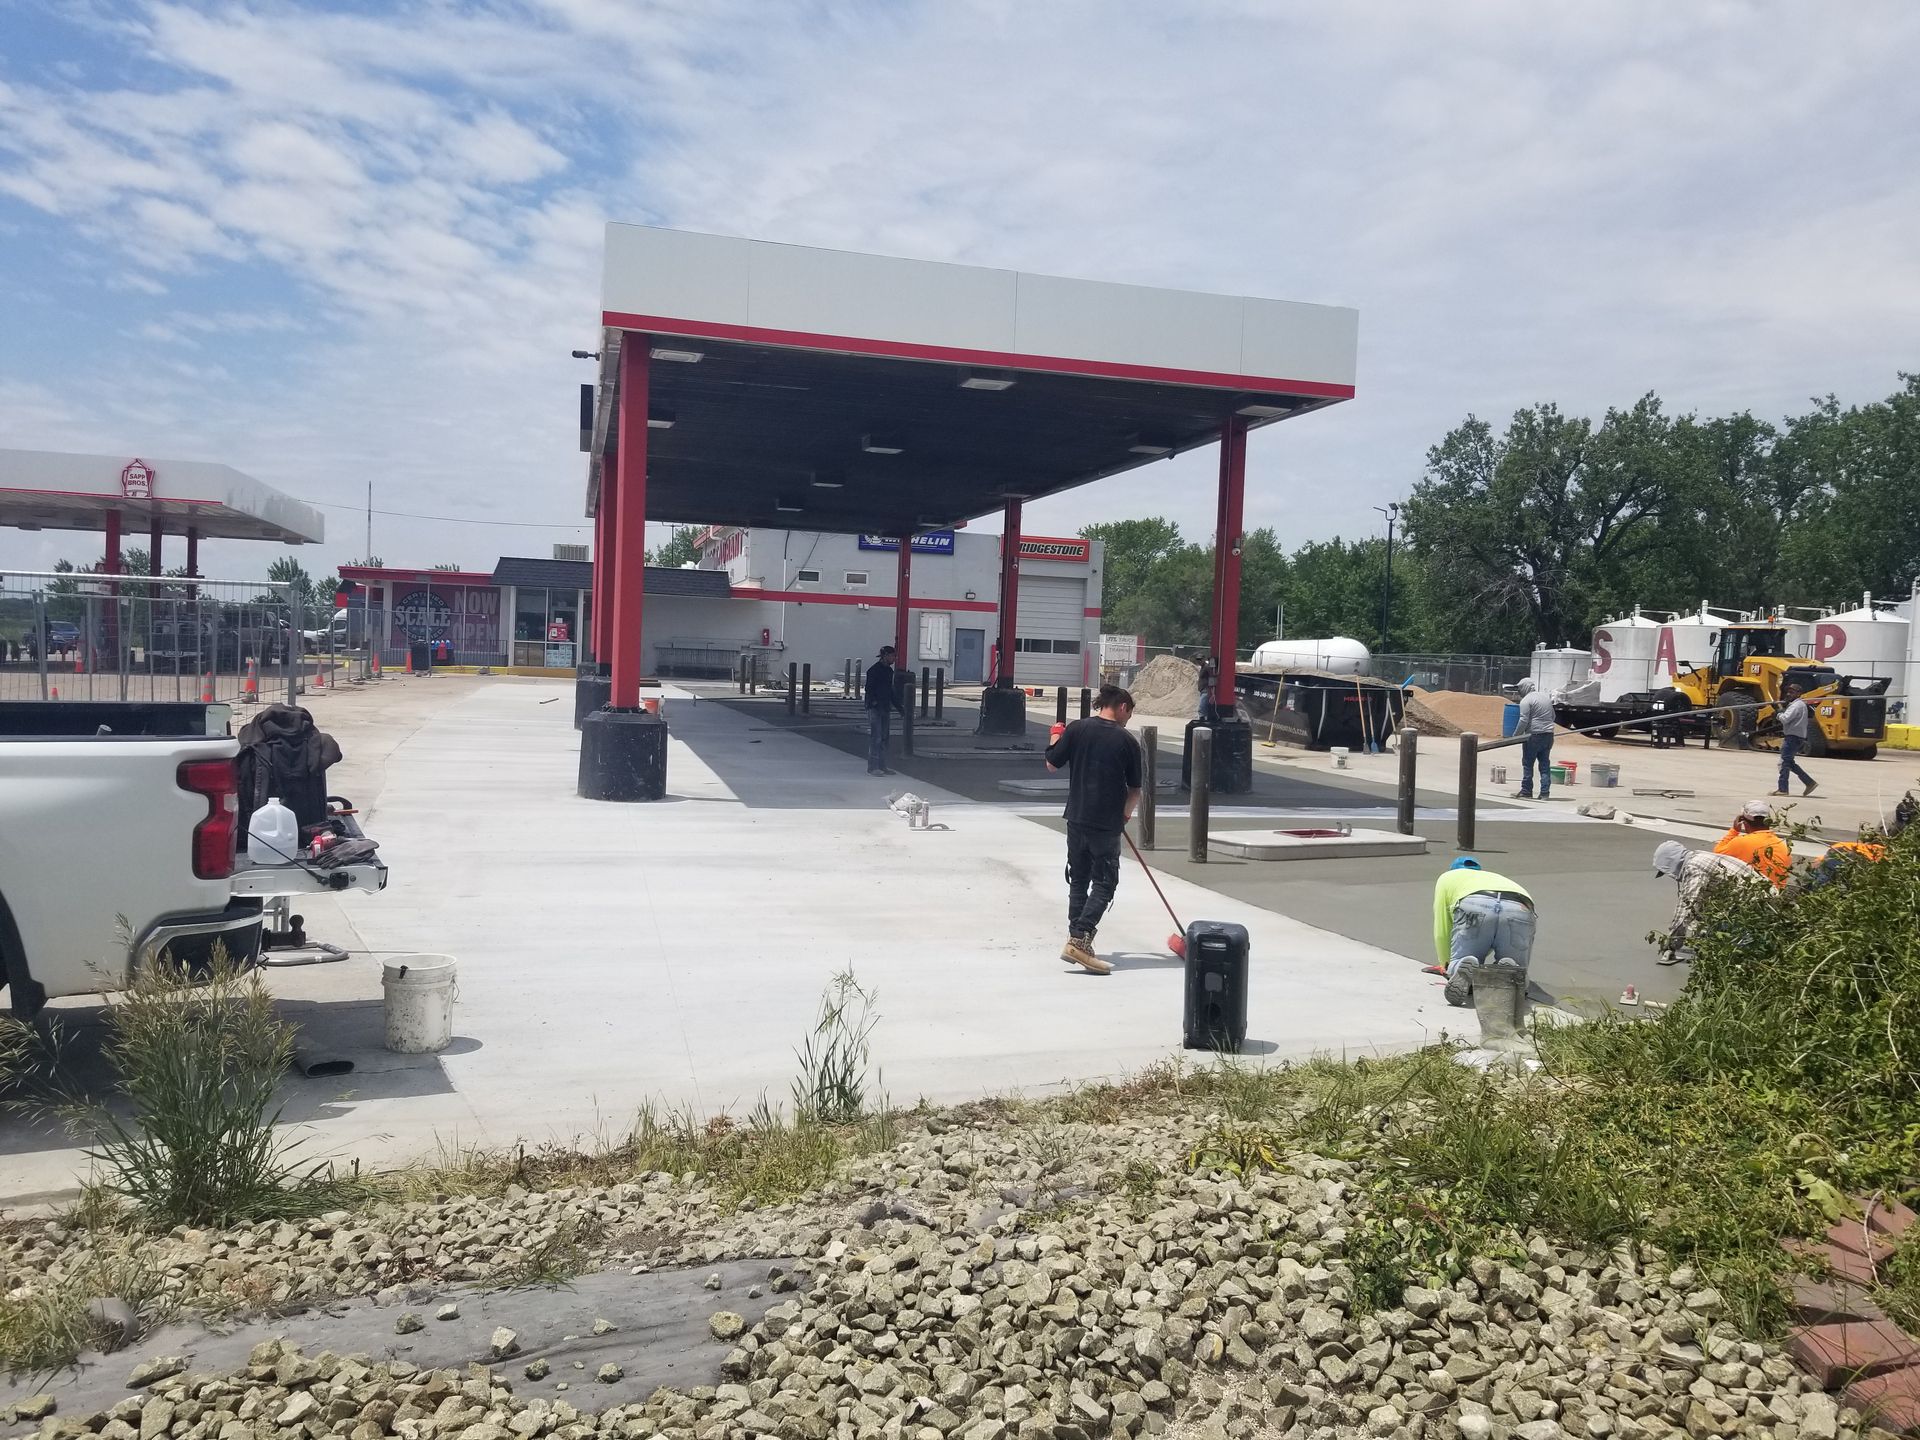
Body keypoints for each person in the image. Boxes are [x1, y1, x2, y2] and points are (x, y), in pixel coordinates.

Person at [1044, 684, 1143, 976]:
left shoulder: (1076, 730)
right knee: (1104, 883)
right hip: (1106, 823)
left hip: (1076, 817)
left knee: (1079, 879)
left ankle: (1075, 938)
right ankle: (1080, 938)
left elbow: (1051, 764)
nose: (1128, 719)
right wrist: (1125, 815)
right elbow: (1135, 789)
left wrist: (1055, 734)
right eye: (1129, 713)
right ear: (1122, 707)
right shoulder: (1127, 741)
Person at [1427, 857, 1535, 1007]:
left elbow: (1442, 927)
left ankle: (1461, 967)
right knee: (1518, 970)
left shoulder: (1448, 877)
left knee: (1462, 960)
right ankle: (1511, 972)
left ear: (1453, 869)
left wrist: (1445, 963)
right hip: (1519, 906)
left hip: (1475, 902)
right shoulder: (1494, 877)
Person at [1650, 840, 1766, 964]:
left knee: (1726, 939)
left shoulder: (1693, 868)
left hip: (1757, 902)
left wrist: (1672, 943)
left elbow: (1687, 906)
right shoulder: (1698, 856)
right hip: (1762, 895)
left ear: (1672, 864)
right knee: (1707, 914)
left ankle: (1746, 954)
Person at [1714, 800, 1792, 887]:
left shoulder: (1741, 842)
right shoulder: (1783, 845)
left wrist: (1734, 830)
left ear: (1744, 822)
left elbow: (1717, 854)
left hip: (1750, 891)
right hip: (1776, 893)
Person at [1771, 682, 1818, 798]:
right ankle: (1809, 782)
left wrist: (1778, 712)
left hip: (1792, 737)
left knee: (1784, 763)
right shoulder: (1798, 705)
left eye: (1792, 692)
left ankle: (1783, 789)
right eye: (1788, 692)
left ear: (1798, 694)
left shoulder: (1796, 706)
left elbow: (1785, 719)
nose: (1788, 694)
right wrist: (1784, 708)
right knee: (1789, 763)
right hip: (1796, 737)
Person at [1514, 677, 1557, 799]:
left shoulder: (1526, 700)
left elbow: (1523, 720)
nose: (1519, 692)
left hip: (1533, 736)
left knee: (1528, 764)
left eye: (1519, 689)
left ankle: (1526, 791)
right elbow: (1553, 716)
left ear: (1525, 687)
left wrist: (1515, 735)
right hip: (1548, 735)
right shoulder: (1545, 698)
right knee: (1544, 764)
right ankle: (1545, 793)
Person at [863, 644, 902, 776]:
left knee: (884, 738)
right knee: (876, 737)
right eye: (892, 656)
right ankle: (873, 767)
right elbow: (869, 689)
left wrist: (899, 708)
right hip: (874, 708)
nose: (894, 658)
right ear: (885, 656)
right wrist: (874, 702)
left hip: (885, 707)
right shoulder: (873, 670)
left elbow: (890, 691)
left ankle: (882, 766)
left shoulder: (889, 671)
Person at [1195, 654, 1219, 723]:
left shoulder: (1206, 667)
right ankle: (1203, 717)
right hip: (1202, 690)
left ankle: (1202, 718)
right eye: (1197, 660)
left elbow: (1213, 674)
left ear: (1204, 659)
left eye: (1200, 659)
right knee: (1204, 705)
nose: (1199, 661)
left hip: (1206, 690)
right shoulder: (1202, 667)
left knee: (1202, 706)